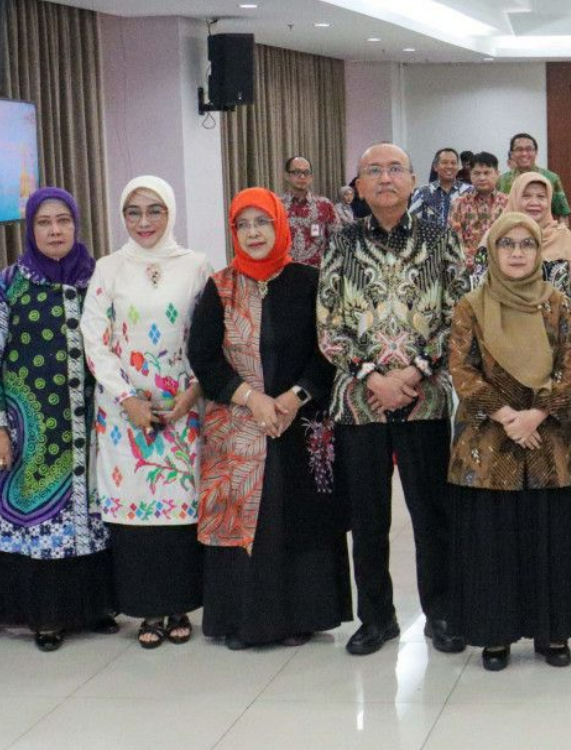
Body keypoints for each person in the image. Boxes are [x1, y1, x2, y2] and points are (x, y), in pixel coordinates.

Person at [317, 143, 468, 657]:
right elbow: (328, 324)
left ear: (412, 180)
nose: (385, 178)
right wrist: (371, 376)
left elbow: (458, 316)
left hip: (425, 399)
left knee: (432, 515)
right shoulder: (340, 242)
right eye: (373, 171)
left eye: (395, 169)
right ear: (358, 185)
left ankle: (441, 613)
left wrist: (415, 371)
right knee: (368, 520)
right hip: (359, 403)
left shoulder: (441, 238)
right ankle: (376, 618)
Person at [190, 187, 352, 650]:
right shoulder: (220, 287)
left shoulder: (309, 281)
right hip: (238, 424)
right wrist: (252, 399)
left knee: (296, 512)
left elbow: (329, 351)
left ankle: (303, 616)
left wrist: (293, 398)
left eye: (262, 222)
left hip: (299, 422)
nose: (253, 232)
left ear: (279, 225)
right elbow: (203, 355)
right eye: (243, 224)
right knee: (249, 519)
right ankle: (243, 621)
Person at [0, 188, 115, 652]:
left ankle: (95, 608)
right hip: (31, 433)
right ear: (30, 229)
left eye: (63, 221)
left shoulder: (98, 279)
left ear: (76, 225)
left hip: (94, 428)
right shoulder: (7, 285)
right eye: (44, 222)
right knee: (40, 525)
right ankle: (46, 617)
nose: (55, 231)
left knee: (92, 519)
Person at [447, 211, 571, 672]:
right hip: (488, 440)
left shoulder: (558, 304)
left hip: (548, 440)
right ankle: (496, 633)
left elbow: (569, 369)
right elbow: (462, 370)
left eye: (526, 244)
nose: (516, 253)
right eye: (506, 244)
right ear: (492, 250)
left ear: (538, 251)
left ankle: (553, 631)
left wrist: (536, 415)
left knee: (549, 536)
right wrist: (508, 416)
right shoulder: (471, 305)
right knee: (495, 540)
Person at [81, 176, 210, 648]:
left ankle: (179, 605)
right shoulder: (109, 268)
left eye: (155, 210)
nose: (144, 221)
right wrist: (127, 399)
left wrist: (192, 393)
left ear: (170, 212)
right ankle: (147, 611)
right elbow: (94, 338)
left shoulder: (196, 265)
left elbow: (208, 334)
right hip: (124, 414)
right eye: (133, 212)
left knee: (178, 509)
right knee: (135, 511)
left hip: (181, 410)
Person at [493, 172, 571, 336]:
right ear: (515, 198)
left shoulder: (564, 237)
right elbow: (482, 286)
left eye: (541, 197)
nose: (534, 202)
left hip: (558, 335)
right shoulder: (498, 238)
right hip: (508, 334)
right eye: (526, 196)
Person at [449, 151, 510, 262]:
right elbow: (453, 240)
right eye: (476, 173)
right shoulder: (459, 203)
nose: (482, 178)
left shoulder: (508, 203)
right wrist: (473, 263)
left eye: (487, 173)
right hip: (467, 266)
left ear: (497, 174)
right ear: (470, 175)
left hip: (502, 263)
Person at [281, 156, 339, 267]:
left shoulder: (324, 205)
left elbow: (337, 239)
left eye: (306, 173)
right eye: (296, 172)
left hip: (318, 271)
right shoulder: (278, 206)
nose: (302, 176)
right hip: (285, 271)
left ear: (311, 177)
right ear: (287, 176)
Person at [497, 133, 570, 219]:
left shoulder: (551, 178)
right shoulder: (502, 180)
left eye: (529, 149)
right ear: (512, 154)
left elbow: (562, 213)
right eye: (519, 149)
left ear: (536, 152)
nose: (524, 153)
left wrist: (563, 228)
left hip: (542, 227)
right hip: (512, 226)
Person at [409, 147, 470, 230]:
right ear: (435, 167)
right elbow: (412, 223)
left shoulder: (469, 191)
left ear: (458, 167)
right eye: (444, 162)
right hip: (430, 238)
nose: (449, 166)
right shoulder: (423, 192)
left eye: (453, 163)